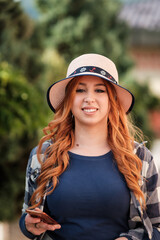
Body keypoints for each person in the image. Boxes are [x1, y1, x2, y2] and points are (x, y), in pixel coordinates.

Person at [19, 54, 160, 240]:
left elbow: (156, 227)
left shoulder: (139, 158)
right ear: (69, 99)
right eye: (80, 90)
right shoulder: (44, 155)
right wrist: (29, 225)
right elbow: (27, 218)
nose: (89, 99)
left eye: (100, 90)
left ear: (112, 100)